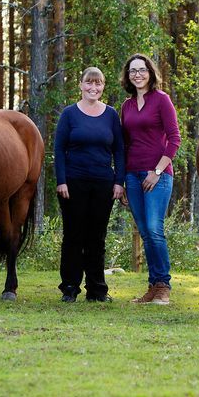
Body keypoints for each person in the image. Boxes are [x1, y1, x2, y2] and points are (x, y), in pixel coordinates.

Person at [54, 67, 126, 303]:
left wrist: (119, 182)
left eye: (98, 83)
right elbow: (59, 149)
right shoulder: (69, 114)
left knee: (97, 237)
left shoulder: (111, 115)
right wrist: (61, 181)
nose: (93, 87)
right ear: (81, 85)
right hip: (73, 183)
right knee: (73, 236)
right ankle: (70, 287)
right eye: (89, 82)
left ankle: (97, 289)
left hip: (103, 184)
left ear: (103, 86)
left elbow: (119, 150)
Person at [119, 53, 180, 306]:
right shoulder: (126, 106)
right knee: (145, 233)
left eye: (142, 70)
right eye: (133, 71)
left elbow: (175, 139)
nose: (138, 74)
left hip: (158, 175)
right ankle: (153, 287)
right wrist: (122, 181)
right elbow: (124, 145)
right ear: (128, 76)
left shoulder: (161, 100)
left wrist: (157, 171)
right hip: (132, 176)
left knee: (155, 230)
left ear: (150, 73)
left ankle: (163, 286)